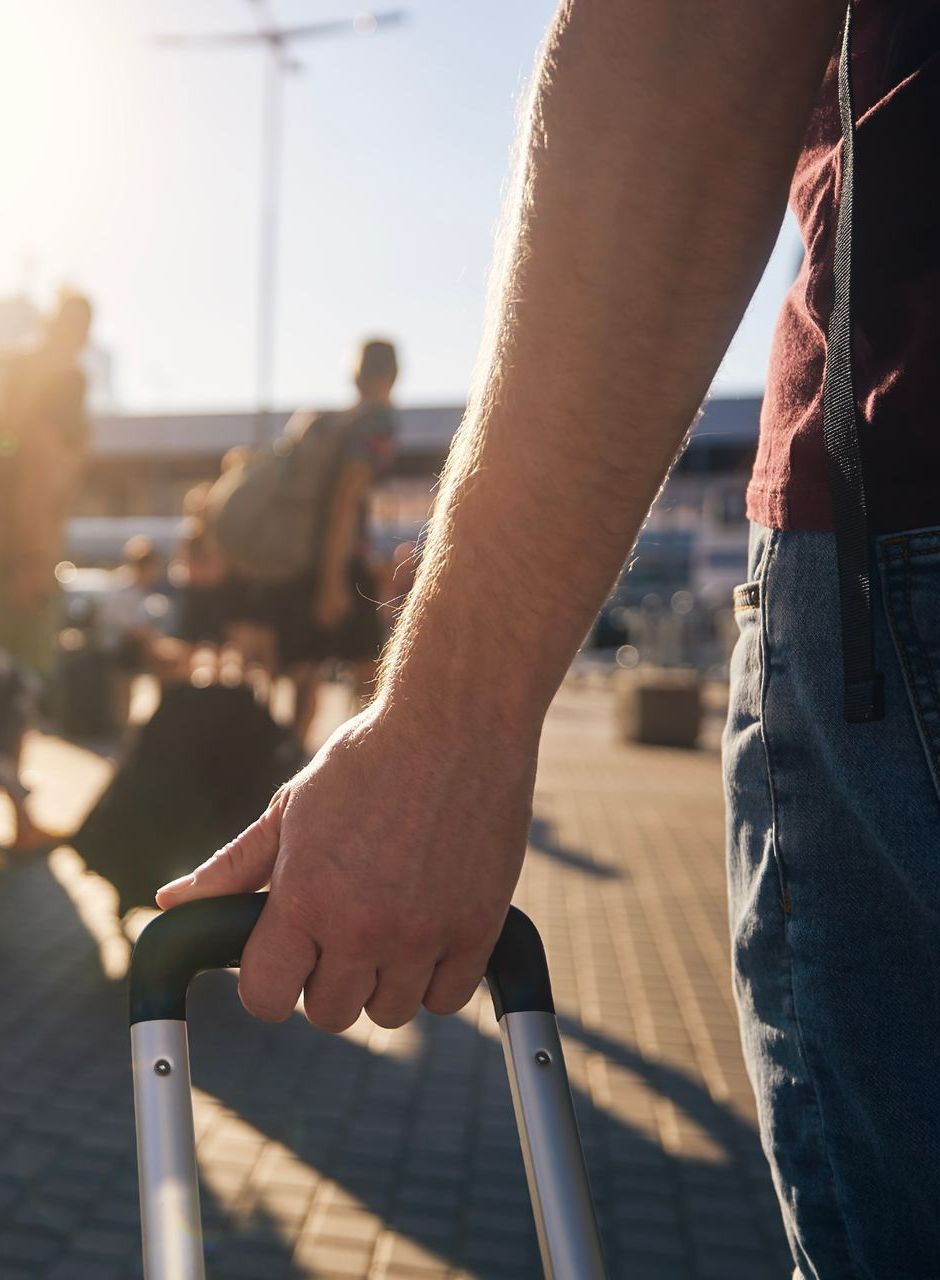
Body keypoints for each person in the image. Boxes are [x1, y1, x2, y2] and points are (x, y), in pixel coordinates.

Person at [158, 4, 939, 1273]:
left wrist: (448, 719)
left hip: (901, 499)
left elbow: (692, 31)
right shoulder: (350, 433)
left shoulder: (333, 434)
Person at [0, 290, 92, 852]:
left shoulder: (16, 367)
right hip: (21, 554)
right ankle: (22, 822)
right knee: (18, 685)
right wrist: (35, 552)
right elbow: (40, 457)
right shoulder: (63, 380)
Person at [272, 339, 399, 744]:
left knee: (305, 681)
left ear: (355, 374)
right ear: (393, 374)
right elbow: (345, 499)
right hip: (340, 564)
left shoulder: (336, 423)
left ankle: (287, 772)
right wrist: (333, 581)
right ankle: (366, 774)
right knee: (370, 680)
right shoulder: (376, 422)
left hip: (303, 563)